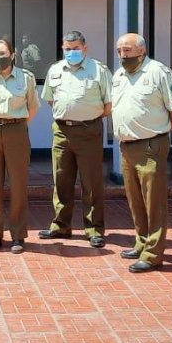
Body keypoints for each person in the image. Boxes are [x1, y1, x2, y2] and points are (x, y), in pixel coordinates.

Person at [110, 33, 172, 272]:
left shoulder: (158, 72)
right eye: (120, 50)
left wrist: (159, 130)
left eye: (128, 50)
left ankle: (153, 253)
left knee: (153, 201)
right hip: (127, 146)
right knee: (135, 199)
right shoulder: (119, 75)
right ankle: (141, 241)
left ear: (142, 51)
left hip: (150, 145)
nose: (123, 54)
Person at [39, 30, 112, 248]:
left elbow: (108, 105)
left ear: (85, 48)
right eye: (68, 49)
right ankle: (61, 225)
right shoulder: (55, 69)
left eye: (76, 48)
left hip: (89, 131)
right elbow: (51, 100)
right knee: (61, 180)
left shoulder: (99, 70)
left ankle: (94, 229)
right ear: (63, 48)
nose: (71, 52)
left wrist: (85, 116)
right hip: (61, 131)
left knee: (91, 182)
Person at [0, 38, 39, 253]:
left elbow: (32, 107)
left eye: (2, 53)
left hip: (17, 130)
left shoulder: (26, 77)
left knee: (18, 185)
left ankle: (18, 236)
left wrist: (16, 124)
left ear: (13, 55)